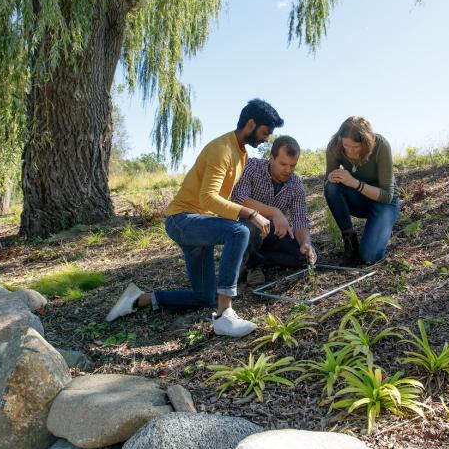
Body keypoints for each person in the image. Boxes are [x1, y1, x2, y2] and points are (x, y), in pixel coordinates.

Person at [104, 99, 283, 337]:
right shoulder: (222, 149)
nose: (267, 138)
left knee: (203, 296)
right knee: (239, 230)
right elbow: (208, 198)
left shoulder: (241, 154)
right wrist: (251, 214)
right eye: (265, 132)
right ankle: (224, 315)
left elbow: (218, 202)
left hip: (200, 225)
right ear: (251, 124)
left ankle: (140, 299)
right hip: (182, 220)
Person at [232, 135, 317, 284]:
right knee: (250, 225)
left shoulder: (296, 183)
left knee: (306, 256)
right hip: (246, 228)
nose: (287, 170)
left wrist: (306, 242)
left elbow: (300, 220)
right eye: (283, 164)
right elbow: (239, 199)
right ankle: (253, 266)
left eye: (292, 165)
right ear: (271, 158)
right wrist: (274, 212)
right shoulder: (251, 167)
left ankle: (257, 259)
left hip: (273, 233)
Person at [324, 116, 400, 265]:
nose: (350, 152)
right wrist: (333, 177)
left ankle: (380, 227)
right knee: (331, 186)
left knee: (369, 256)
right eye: (346, 146)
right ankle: (350, 243)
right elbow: (329, 185)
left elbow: (387, 196)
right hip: (358, 199)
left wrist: (355, 183)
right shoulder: (335, 146)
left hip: (384, 202)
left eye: (356, 147)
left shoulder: (381, 146)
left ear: (366, 142)